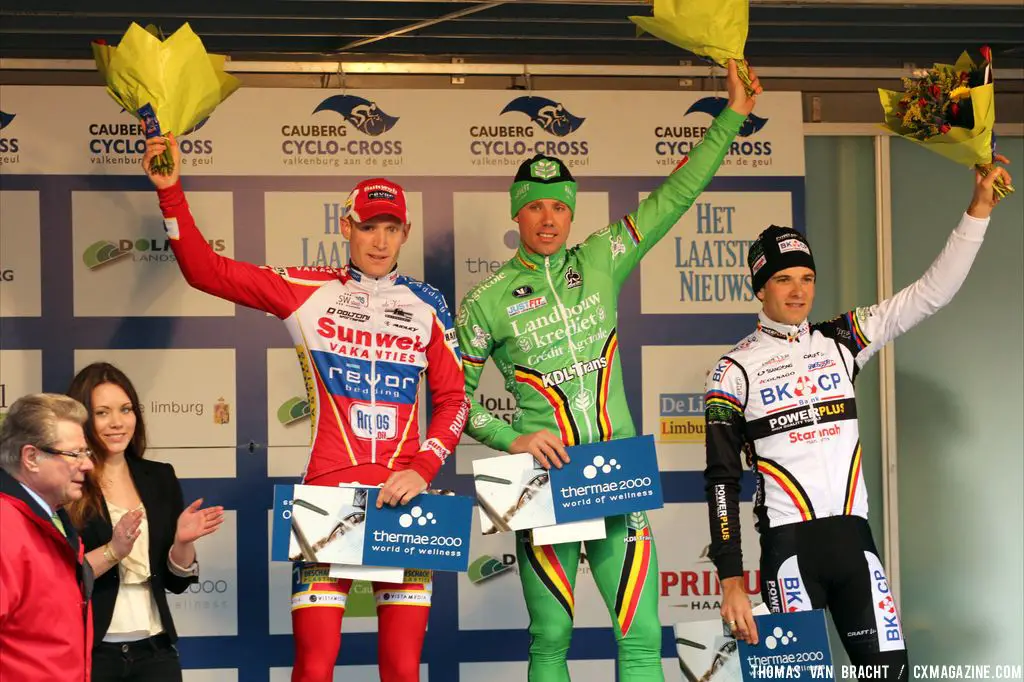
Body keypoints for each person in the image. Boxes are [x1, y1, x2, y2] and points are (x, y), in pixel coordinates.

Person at [456, 60, 762, 682]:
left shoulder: (603, 257)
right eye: (535, 207)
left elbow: (675, 196)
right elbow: (452, 400)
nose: (547, 218)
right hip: (544, 482)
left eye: (558, 207)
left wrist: (731, 114)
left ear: (572, 214)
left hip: (616, 477)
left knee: (642, 637)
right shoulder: (485, 301)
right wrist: (512, 437)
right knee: (551, 640)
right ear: (517, 216)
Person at [142, 135, 469, 682]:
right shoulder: (306, 290)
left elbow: (455, 398)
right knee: (313, 667)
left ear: (405, 233)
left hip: (404, 500)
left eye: (392, 228)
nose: (380, 240)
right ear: (346, 228)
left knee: (403, 669)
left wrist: (423, 467)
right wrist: (170, 191)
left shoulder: (427, 305)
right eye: (369, 227)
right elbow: (206, 271)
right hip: (325, 499)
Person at [703, 156, 1013, 680]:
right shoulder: (732, 369)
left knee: (891, 674)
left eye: (807, 277)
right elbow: (720, 478)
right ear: (759, 289)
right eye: (783, 280)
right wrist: (731, 579)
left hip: (855, 546)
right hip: (789, 552)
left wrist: (978, 209)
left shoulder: (841, 339)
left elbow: (930, 294)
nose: (798, 290)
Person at [65, 362, 225, 682]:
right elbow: (59, 579)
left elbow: (176, 582)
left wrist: (183, 543)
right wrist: (114, 550)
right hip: (90, 651)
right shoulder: (68, 482)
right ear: (81, 420)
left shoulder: (159, 476)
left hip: (156, 650)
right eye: (102, 412)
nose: (117, 423)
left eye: (125, 409)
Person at [0, 393, 96, 681]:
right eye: (74, 454)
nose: (88, 465)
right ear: (31, 457)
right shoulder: (5, 526)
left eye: (86, 453)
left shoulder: (52, 519)